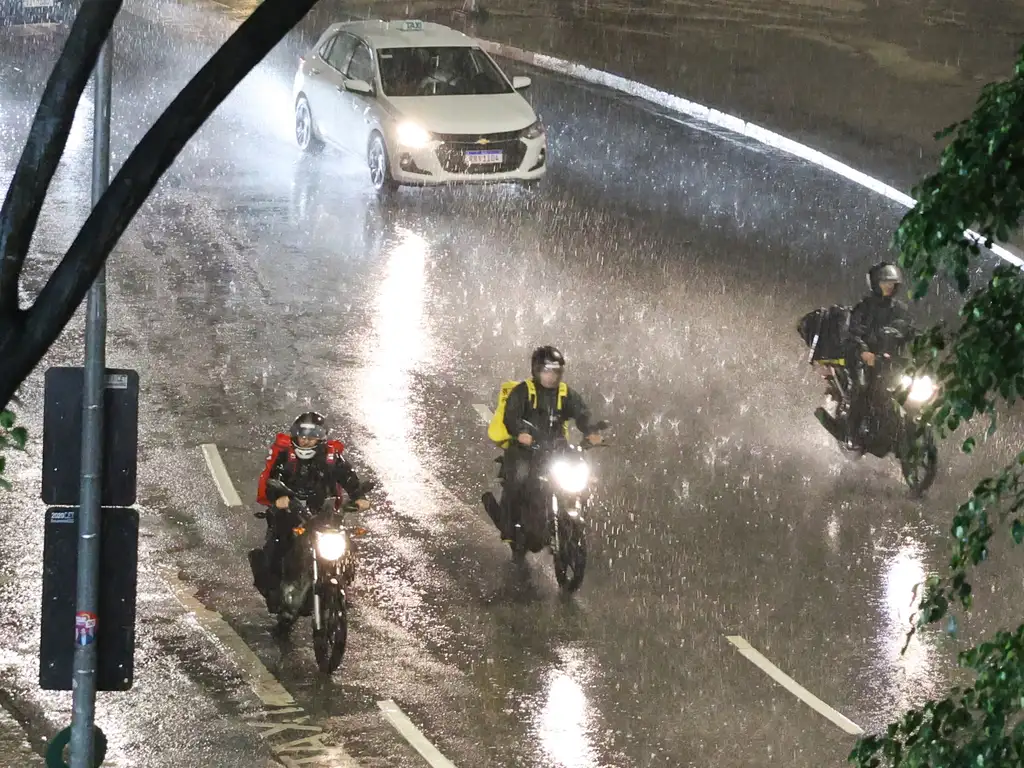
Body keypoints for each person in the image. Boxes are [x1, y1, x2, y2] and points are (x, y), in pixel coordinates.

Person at [251, 412, 370, 611]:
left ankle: (341, 583)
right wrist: (279, 498)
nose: (306, 441)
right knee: (277, 545)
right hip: (291, 512)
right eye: (302, 435)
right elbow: (274, 479)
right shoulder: (285, 456)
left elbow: (348, 477)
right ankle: (274, 591)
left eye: (312, 435)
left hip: (323, 512)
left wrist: (359, 497)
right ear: (295, 435)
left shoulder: (332, 458)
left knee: (347, 545)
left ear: (321, 437)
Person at [482, 346, 602, 545]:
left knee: (583, 476)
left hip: (555, 448)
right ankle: (508, 525)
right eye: (546, 370)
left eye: (555, 371)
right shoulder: (523, 392)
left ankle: (570, 513)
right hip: (525, 450)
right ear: (536, 371)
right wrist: (521, 433)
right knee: (518, 479)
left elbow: (582, 414)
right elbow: (511, 416)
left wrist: (591, 431)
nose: (550, 376)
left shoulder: (565, 393)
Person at [843, 262, 914, 447]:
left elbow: (910, 331)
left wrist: (926, 344)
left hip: (889, 360)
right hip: (865, 360)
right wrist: (864, 352)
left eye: (892, 282)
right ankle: (852, 434)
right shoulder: (864, 308)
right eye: (884, 282)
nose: (889, 286)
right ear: (875, 283)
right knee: (861, 387)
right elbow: (853, 333)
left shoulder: (900, 309)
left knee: (910, 389)